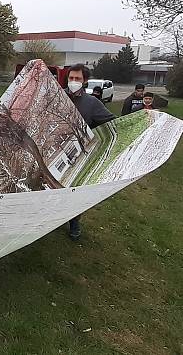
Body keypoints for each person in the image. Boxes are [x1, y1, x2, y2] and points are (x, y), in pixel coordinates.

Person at [65, 63, 115, 240]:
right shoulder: (58, 96)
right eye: (71, 78)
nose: (73, 81)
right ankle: (53, 218)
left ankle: (74, 221)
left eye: (77, 78)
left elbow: (111, 123)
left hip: (79, 155)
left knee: (75, 190)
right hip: (54, 151)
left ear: (84, 81)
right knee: (54, 188)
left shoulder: (92, 103)